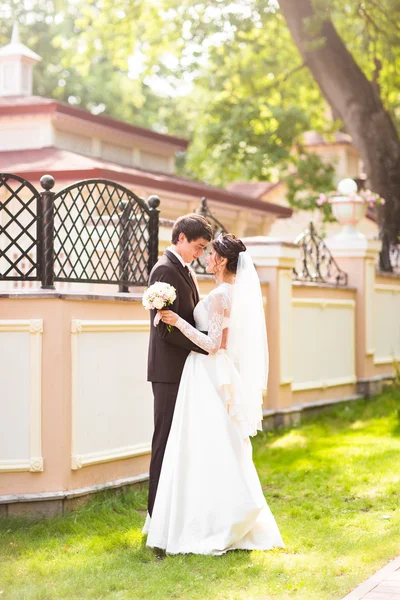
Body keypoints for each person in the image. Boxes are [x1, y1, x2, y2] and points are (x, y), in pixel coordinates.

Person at [143, 233, 284, 555]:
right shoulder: (225, 291)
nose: (206, 257)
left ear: (221, 260)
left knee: (208, 444)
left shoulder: (222, 294)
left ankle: (214, 520)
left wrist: (177, 320)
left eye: (210, 253)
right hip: (201, 373)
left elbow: (214, 344)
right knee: (204, 444)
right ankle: (196, 514)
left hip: (206, 371)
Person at [146, 214, 213, 517]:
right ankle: (155, 514)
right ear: (181, 238)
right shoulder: (164, 270)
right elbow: (165, 328)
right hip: (168, 372)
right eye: (198, 247)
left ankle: (175, 511)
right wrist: (204, 343)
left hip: (185, 370)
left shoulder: (183, 270)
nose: (200, 254)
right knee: (165, 438)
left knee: (180, 441)